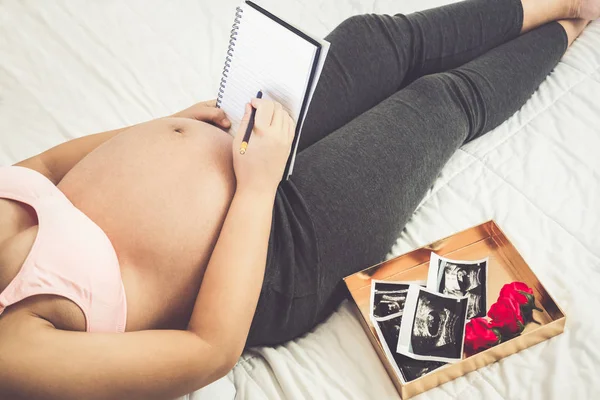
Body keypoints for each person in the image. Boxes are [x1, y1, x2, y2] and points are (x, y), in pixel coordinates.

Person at [0, 0, 596, 398]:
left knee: (374, 39)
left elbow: (50, 166)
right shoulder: (13, 355)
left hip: (238, 138)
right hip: (276, 254)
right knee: (438, 103)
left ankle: (564, 0)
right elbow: (208, 352)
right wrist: (256, 187)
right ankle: (573, 28)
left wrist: (164, 127)